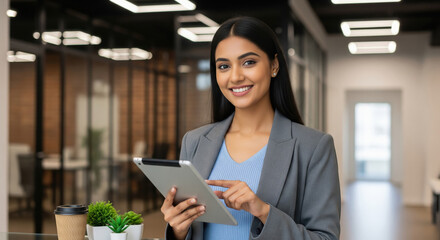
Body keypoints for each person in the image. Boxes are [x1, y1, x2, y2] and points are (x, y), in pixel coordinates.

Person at [160, 16, 341, 240]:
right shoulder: (194, 141)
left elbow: (326, 237)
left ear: (274, 65)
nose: (235, 77)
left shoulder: (313, 147)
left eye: (248, 62)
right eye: (224, 66)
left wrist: (263, 212)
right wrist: (178, 230)